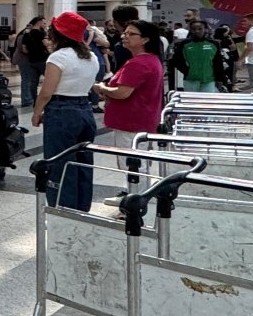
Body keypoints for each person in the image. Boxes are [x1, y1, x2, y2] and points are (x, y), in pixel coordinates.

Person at [32, 12, 100, 211]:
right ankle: (82, 207)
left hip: (61, 112)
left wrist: (37, 112)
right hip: (85, 110)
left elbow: (47, 91)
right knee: (83, 162)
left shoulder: (59, 57)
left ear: (57, 33)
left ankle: (63, 209)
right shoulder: (91, 56)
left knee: (60, 163)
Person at [95, 20, 166, 148]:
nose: (124, 37)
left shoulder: (138, 63)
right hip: (139, 121)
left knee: (131, 164)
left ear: (145, 40)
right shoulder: (150, 59)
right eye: (125, 33)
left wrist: (101, 88)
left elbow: (122, 93)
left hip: (131, 123)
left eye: (131, 34)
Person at [173, 19, 225, 93]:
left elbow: (218, 62)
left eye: (200, 29)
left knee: (207, 102)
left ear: (206, 29)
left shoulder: (213, 44)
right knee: (191, 102)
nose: (197, 31)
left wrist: (220, 79)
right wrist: (187, 71)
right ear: (190, 30)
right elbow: (176, 60)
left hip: (209, 80)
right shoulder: (184, 44)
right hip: (190, 80)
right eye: (194, 29)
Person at [14, 16, 48, 109]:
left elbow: (25, 49)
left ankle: (31, 100)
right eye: (44, 23)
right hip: (37, 60)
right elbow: (47, 44)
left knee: (32, 82)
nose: (45, 25)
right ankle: (29, 100)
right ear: (38, 22)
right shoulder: (40, 33)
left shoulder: (25, 34)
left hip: (31, 60)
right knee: (49, 79)